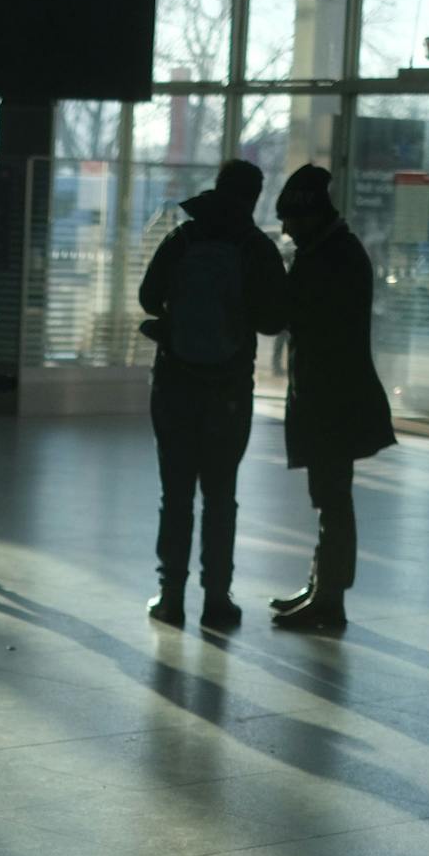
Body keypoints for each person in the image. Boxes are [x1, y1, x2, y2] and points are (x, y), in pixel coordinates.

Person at [137, 159, 288, 629]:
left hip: (175, 384)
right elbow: (272, 320)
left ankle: (171, 597)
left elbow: (147, 297)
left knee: (176, 495)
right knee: (221, 496)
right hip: (228, 391)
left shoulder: (183, 239)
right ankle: (217, 600)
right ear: (254, 197)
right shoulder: (256, 247)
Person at [269, 164, 397, 631]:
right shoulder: (337, 251)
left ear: (310, 216)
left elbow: (289, 312)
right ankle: (322, 586)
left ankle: (329, 599)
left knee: (333, 500)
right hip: (334, 395)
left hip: (331, 400)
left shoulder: (328, 258)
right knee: (329, 497)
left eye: (290, 220)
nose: (285, 230)